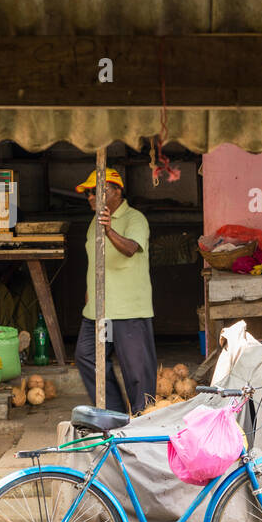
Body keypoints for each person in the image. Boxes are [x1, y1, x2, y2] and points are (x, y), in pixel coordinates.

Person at [73, 168, 155, 413]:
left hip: (128, 311)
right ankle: (115, 413)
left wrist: (109, 230)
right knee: (88, 355)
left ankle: (144, 419)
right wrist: (90, 294)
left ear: (117, 191)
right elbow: (96, 261)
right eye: (88, 193)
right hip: (100, 312)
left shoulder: (135, 218)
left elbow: (130, 248)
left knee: (137, 371)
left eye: (97, 191)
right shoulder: (93, 222)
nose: (91, 197)